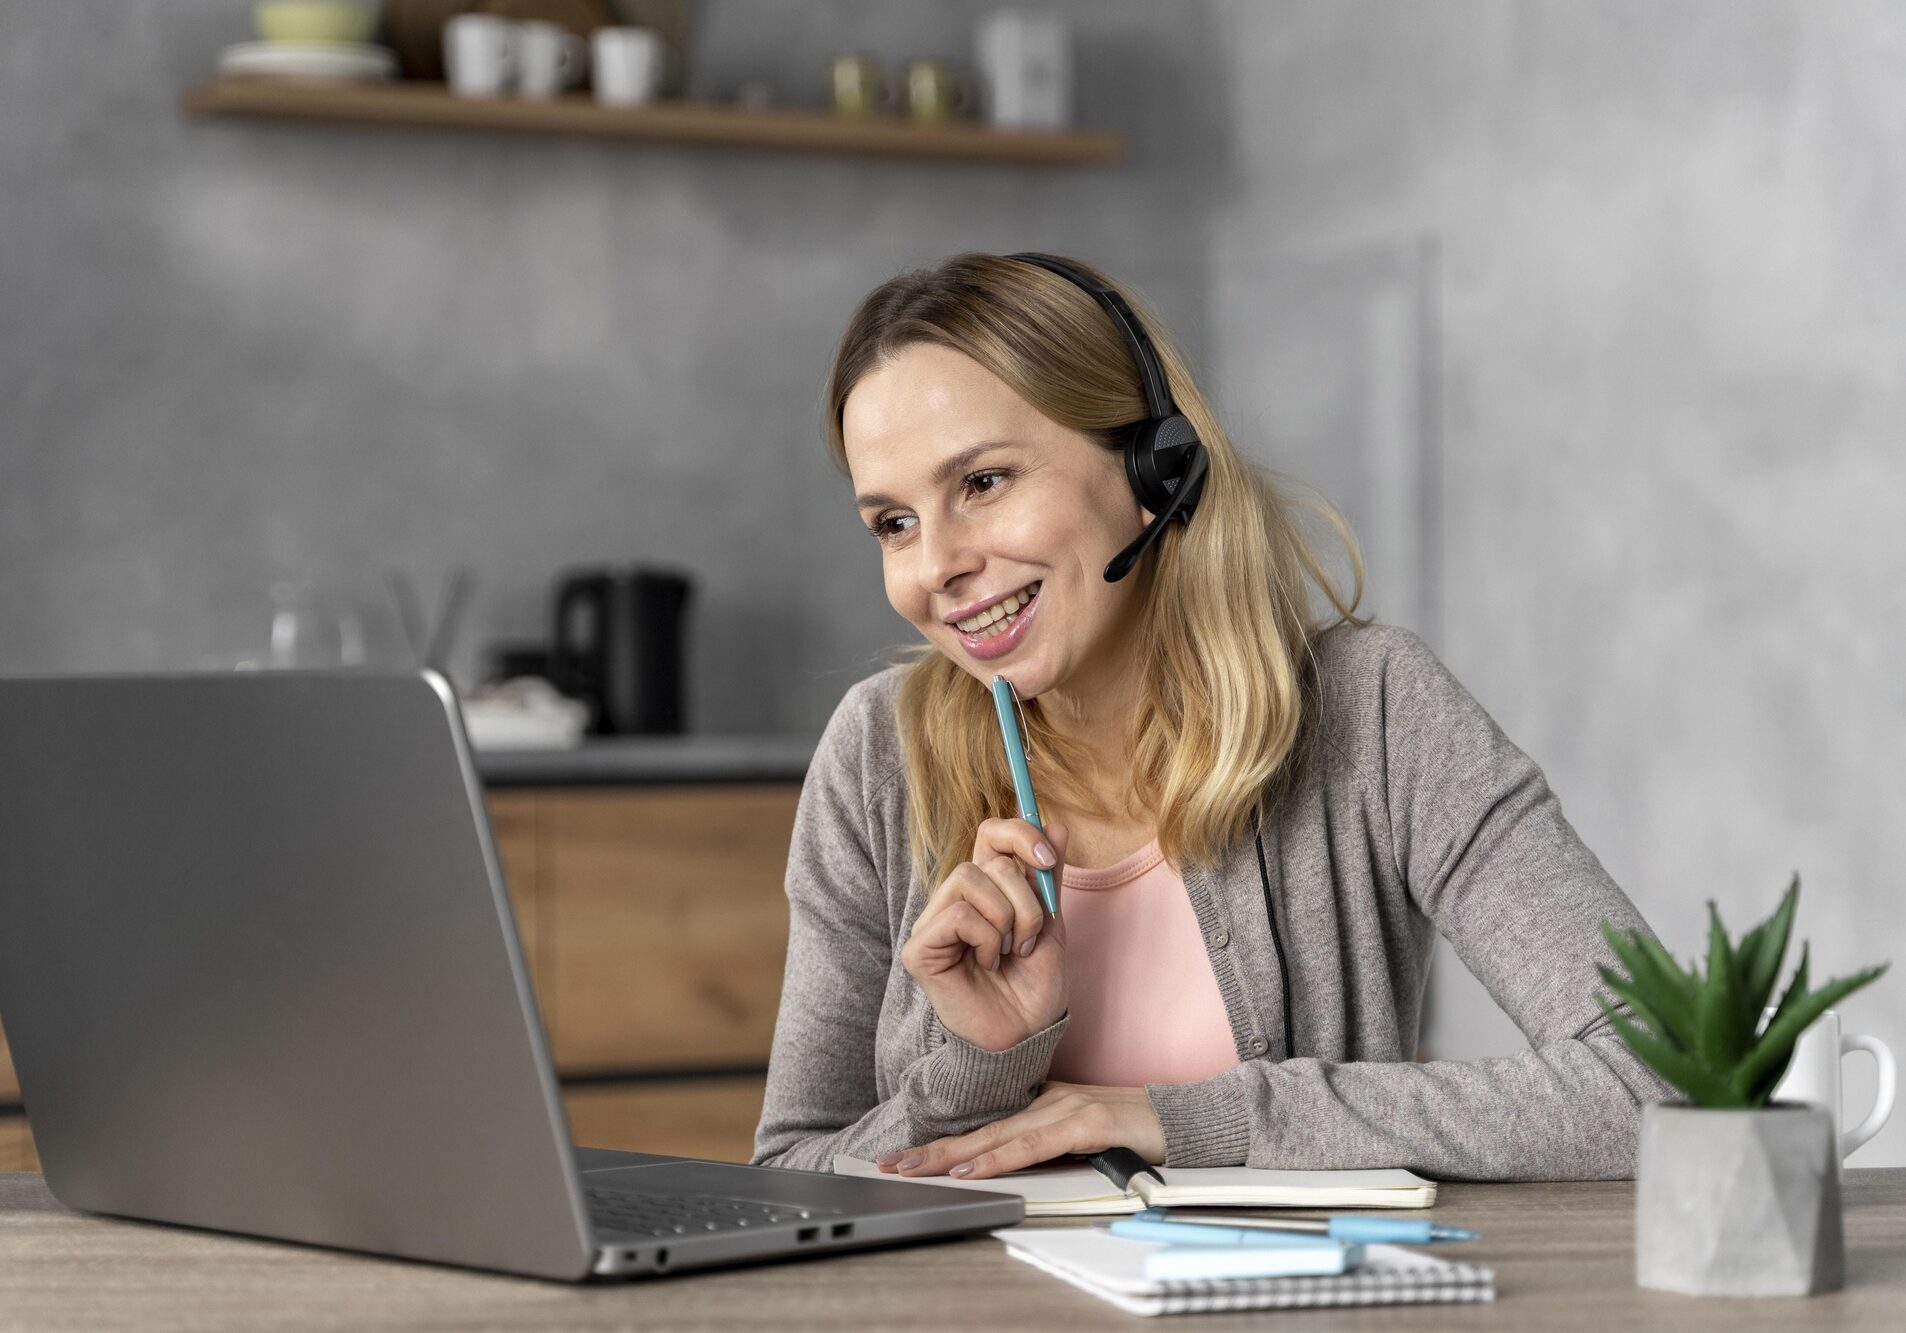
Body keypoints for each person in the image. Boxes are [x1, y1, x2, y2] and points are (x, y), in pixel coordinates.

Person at [751, 251, 1667, 1183]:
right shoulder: (877, 752)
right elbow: (787, 1172)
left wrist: (1188, 1118)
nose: (934, 565)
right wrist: (978, 1067)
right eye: (893, 523)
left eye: (982, 482)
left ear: (1155, 462)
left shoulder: (1379, 711)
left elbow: (1665, 1080)